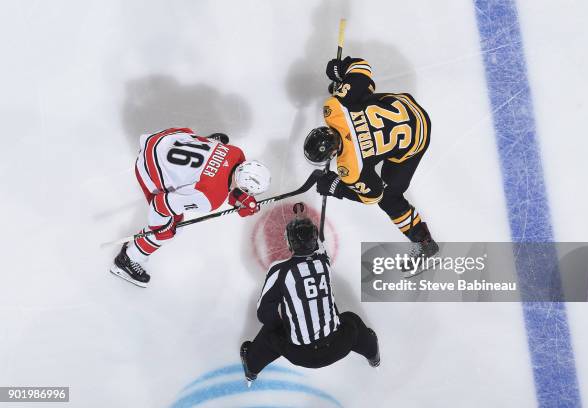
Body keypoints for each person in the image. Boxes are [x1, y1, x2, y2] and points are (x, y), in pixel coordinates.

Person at [304, 57, 438, 259]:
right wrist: (340, 70)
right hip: (408, 107)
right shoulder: (334, 108)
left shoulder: (349, 167)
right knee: (357, 97)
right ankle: (349, 87)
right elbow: (361, 66)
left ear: (332, 154)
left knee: (389, 198)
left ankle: (424, 243)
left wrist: (336, 187)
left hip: (417, 139)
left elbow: (374, 195)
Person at [110, 127, 271, 287]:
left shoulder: (236, 153)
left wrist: (239, 198)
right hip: (148, 166)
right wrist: (161, 229)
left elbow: (226, 180)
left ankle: (203, 156)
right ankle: (128, 259)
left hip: (160, 140)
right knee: (170, 229)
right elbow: (160, 203)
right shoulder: (210, 199)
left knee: (209, 150)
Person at [240, 214, 379, 385]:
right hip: (338, 346)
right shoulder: (324, 263)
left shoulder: (280, 270)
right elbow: (320, 249)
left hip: (301, 355)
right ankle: (373, 354)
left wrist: (285, 327)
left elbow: (264, 314)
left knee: (270, 335)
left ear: (290, 243)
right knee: (352, 320)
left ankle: (251, 367)